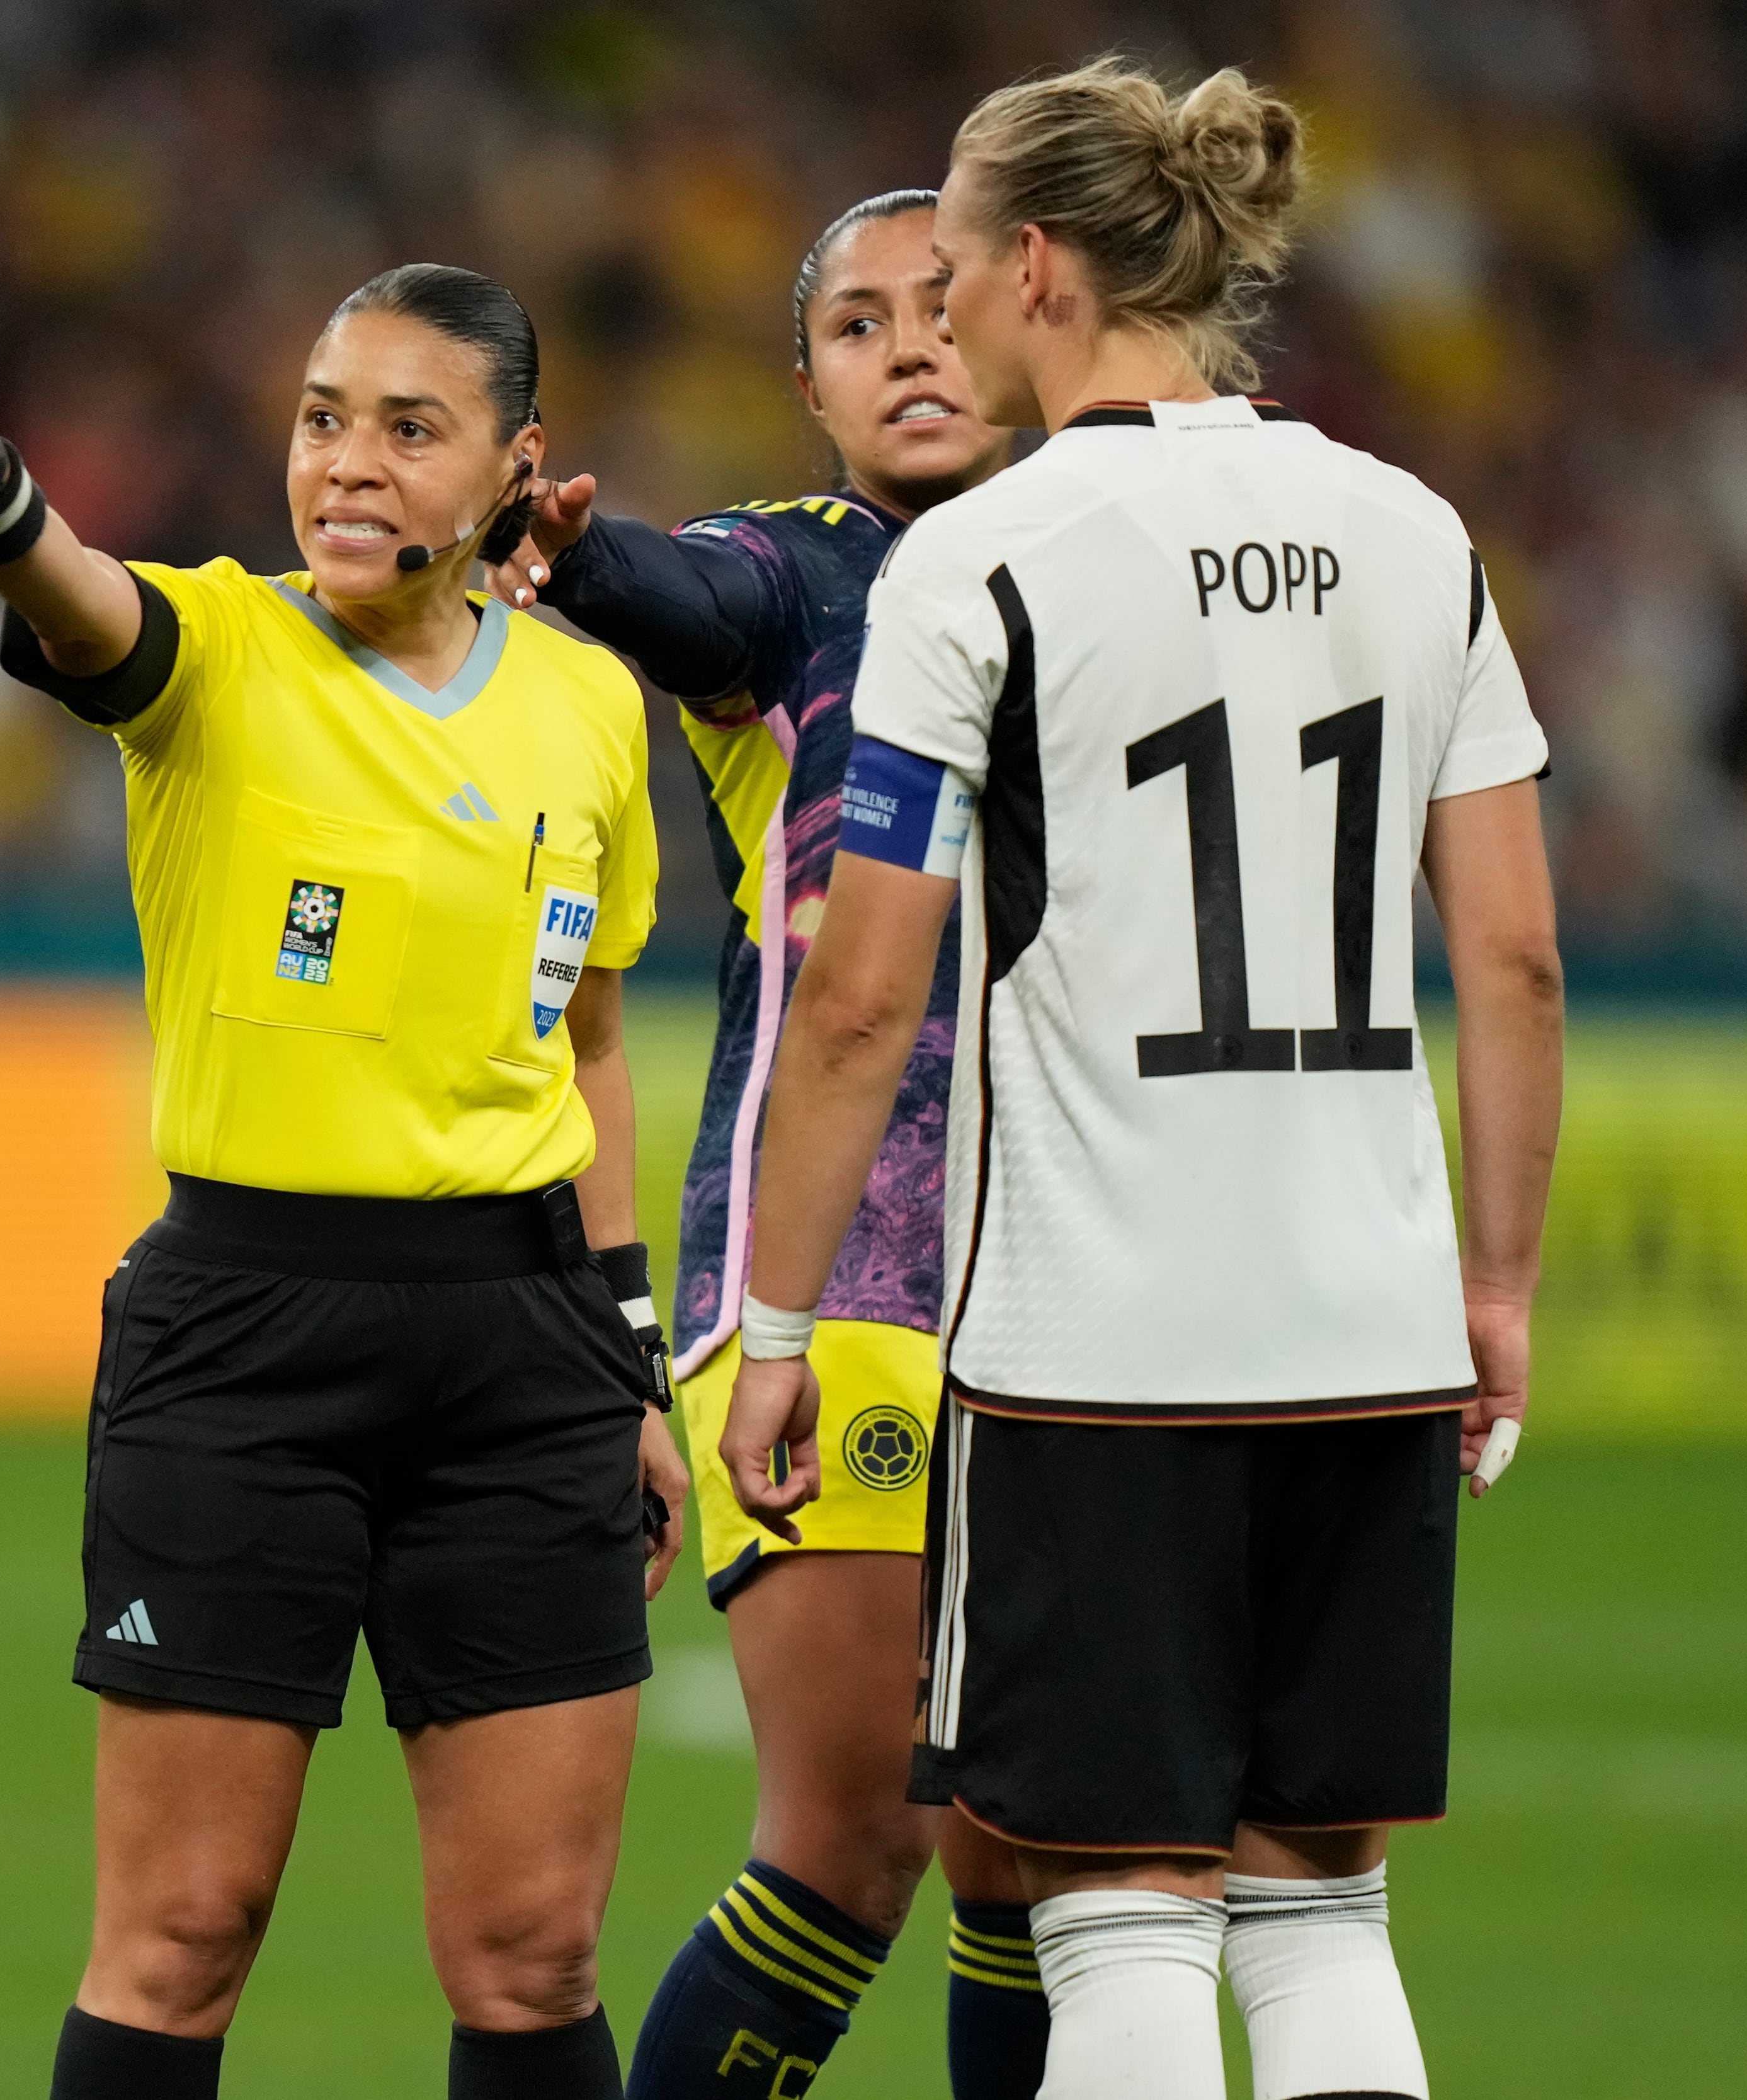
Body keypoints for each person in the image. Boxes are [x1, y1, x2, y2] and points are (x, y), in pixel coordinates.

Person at [719, 58, 1562, 2100]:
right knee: (1322, 1915)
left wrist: (776, 1325)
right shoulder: (1411, 529)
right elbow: (1517, 952)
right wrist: (1500, 1287)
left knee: (1113, 1927)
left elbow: (855, 1002)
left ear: (1033, 268)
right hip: (1365, 1320)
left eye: (952, 262)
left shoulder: (977, 565)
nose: (932, 315)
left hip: (1097, 1337)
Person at [0, 265, 686, 2100]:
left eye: (408, 428)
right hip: (243, 1348)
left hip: (530, 1353)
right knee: (182, 1934)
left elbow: (585, 1038)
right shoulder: (218, 651)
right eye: (320, 417)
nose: (347, 465)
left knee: (531, 1960)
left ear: (516, 465)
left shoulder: (595, 710)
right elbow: (85, 604)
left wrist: (632, 1361)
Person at [485, 190, 1045, 2100]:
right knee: (856, 1840)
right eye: (860, 322)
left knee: (1038, 1854)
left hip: (1079, 1265)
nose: (909, 346)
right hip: (844, 1271)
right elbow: (677, 596)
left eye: (944, 308)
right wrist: (577, 557)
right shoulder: (798, 575)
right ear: (805, 382)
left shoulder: (1112, 559)